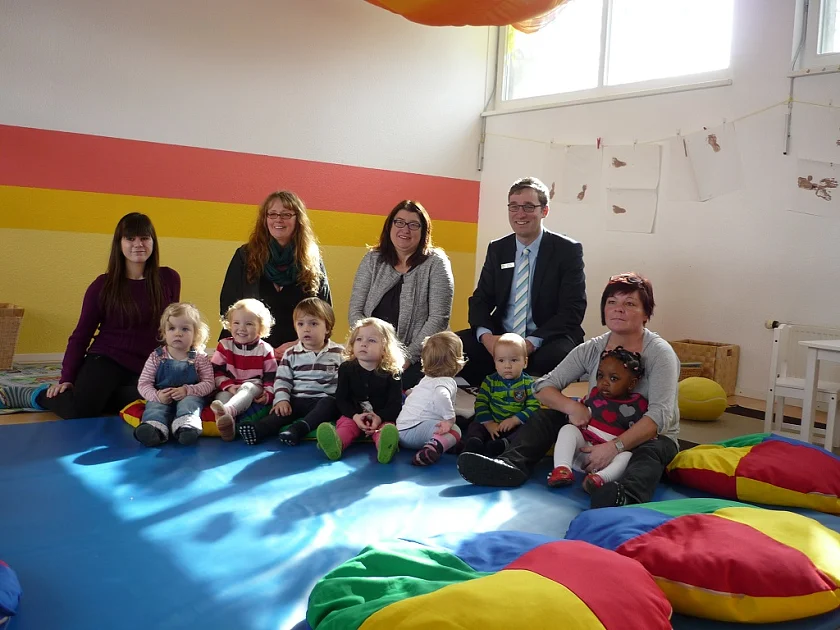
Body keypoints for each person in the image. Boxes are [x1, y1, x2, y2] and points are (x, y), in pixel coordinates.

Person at [457, 273, 680, 509]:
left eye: (630, 304)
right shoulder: (593, 348)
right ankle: (510, 465)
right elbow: (543, 386)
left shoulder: (660, 353)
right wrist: (571, 406)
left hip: (641, 436)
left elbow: (659, 417)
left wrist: (614, 447)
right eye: (612, 302)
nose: (618, 309)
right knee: (546, 417)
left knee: (655, 449)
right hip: (596, 427)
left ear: (646, 314)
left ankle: (624, 495)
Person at [33, 213, 181, 419]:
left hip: (148, 362)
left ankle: (103, 395)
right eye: (130, 238)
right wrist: (67, 378)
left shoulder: (169, 278)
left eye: (144, 238)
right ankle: (38, 395)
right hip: (107, 358)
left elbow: (173, 327)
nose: (138, 244)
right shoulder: (102, 286)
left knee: (162, 400)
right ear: (119, 244)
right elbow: (81, 335)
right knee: (81, 410)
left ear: (153, 242)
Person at [457, 177, 586, 387]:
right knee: (450, 347)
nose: (520, 214)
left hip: (547, 338)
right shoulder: (498, 249)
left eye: (528, 207)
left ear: (544, 211)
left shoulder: (567, 250)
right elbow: (480, 300)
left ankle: (521, 396)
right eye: (514, 207)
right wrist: (487, 338)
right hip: (502, 336)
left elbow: (572, 310)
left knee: (553, 361)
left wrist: (530, 343)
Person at [348, 200, 454, 389]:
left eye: (414, 224)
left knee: (390, 388)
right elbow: (356, 312)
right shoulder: (372, 259)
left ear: (423, 231)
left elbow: (439, 318)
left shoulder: (436, 263)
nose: (405, 229)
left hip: (418, 357)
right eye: (399, 222)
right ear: (390, 226)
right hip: (372, 352)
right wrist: (371, 348)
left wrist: (407, 356)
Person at [219, 191, 331, 359]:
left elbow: (325, 312)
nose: (278, 219)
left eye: (286, 214)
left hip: (301, 351)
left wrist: (298, 344)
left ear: (297, 220)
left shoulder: (312, 259)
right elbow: (228, 309)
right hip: (248, 350)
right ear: (265, 219)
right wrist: (260, 346)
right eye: (272, 214)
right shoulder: (245, 256)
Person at [239, 298, 343, 446]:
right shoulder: (291, 353)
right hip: (297, 399)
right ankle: (259, 429)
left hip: (323, 400)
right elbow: (282, 380)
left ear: (327, 328)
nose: (306, 329)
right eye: (300, 324)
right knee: (280, 411)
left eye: (313, 324)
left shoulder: (338, 353)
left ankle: (298, 429)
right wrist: (282, 400)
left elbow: (345, 381)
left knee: (329, 405)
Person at [547, 347, 648, 494]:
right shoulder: (594, 394)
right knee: (568, 430)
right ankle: (562, 468)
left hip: (608, 458)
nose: (604, 383)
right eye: (600, 376)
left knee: (627, 456)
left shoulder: (639, 405)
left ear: (632, 383)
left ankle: (599, 479)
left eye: (613, 378)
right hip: (582, 451)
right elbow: (581, 412)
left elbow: (643, 431)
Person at [315, 317, 405, 464]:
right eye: (359, 339)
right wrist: (355, 416)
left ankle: (385, 446)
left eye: (372, 340)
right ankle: (336, 444)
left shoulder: (392, 372)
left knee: (386, 429)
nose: (364, 343)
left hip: (381, 416)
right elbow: (342, 399)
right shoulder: (346, 368)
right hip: (353, 415)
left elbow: (395, 404)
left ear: (385, 348)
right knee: (347, 426)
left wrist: (379, 418)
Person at [134, 303, 215, 447]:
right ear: (164, 333)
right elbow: (144, 383)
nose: (178, 333)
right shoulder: (156, 357)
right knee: (154, 407)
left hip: (189, 395)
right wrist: (157, 396)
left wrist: (188, 390)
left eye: (185, 329)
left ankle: (186, 428)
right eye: (172, 328)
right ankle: (154, 430)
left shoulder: (199, 358)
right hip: (162, 395)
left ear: (195, 334)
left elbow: (209, 383)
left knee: (190, 403)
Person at [461, 333, 540, 458]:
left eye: (514, 360)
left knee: (526, 431)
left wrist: (515, 420)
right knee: (476, 424)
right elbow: (481, 403)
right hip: (491, 422)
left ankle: (503, 445)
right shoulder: (490, 381)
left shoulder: (529, 383)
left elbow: (534, 405)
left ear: (525, 362)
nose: (507, 366)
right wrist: (489, 424)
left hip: (514, 425)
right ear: (495, 362)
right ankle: (475, 442)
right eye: (501, 360)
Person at [210, 299, 278, 441]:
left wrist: (268, 395)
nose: (241, 328)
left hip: (254, 386)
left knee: (247, 388)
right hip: (230, 386)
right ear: (229, 324)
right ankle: (228, 428)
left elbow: (271, 378)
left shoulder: (265, 349)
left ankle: (227, 411)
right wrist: (229, 387)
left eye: (249, 324)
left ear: (261, 328)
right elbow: (216, 372)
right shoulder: (224, 345)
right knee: (222, 398)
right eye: (236, 323)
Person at [396, 331, 466, 466]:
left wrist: (410, 393)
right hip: (414, 432)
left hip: (402, 430)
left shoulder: (427, 380)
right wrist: (450, 419)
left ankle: (448, 444)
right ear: (458, 361)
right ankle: (432, 449)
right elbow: (441, 395)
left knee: (444, 426)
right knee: (455, 430)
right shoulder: (445, 382)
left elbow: (412, 391)